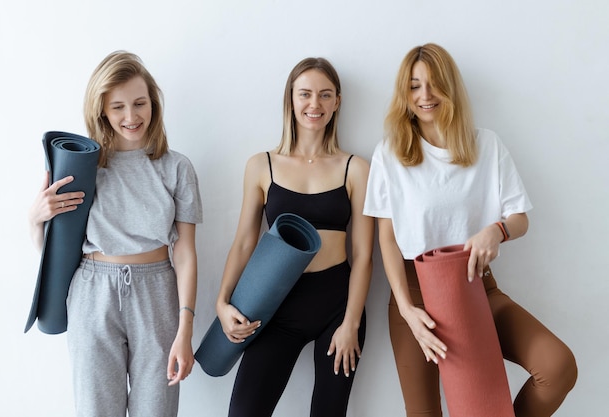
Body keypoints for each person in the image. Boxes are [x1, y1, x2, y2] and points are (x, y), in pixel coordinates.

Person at [363, 43, 577, 417]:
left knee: (557, 366)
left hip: (475, 285)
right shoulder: (390, 153)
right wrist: (407, 309)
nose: (425, 96)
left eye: (434, 84)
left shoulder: (486, 145)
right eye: (414, 86)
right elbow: (387, 239)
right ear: (404, 93)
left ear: (451, 88)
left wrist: (496, 231)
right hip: (414, 297)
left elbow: (519, 218)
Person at [28, 51, 202, 417]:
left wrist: (185, 327)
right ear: (102, 110)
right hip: (92, 292)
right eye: (118, 106)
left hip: (158, 292)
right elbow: (56, 253)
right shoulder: (83, 168)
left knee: (157, 410)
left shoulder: (176, 168)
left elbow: (185, 252)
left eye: (140, 103)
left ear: (153, 104)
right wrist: (34, 219)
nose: (131, 116)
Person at [215, 57, 374, 417]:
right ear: (290, 99)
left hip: (337, 304)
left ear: (337, 101)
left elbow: (364, 255)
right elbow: (244, 242)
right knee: (244, 411)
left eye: (324, 95)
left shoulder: (356, 169)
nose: (314, 104)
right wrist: (221, 303)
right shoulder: (261, 165)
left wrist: (350, 323)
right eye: (305, 94)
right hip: (277, 304)